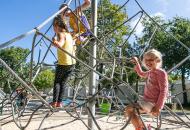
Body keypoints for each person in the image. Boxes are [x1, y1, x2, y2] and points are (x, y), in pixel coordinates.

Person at [124, 49, 168, 130]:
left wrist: (158, 107)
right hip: (146, 101)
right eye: (146, 60)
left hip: (153, 103)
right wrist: (137, 62)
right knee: (130, 111)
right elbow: (141, 73)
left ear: (157, 60)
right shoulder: (150, 72)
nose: (148, 62)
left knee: (129, 109)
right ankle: (142, 127)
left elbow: (164, 91)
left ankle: (140, 128)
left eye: (151, 60)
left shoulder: (161, 73)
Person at [50, 15, 76, 108]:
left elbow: (60, 44)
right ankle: (60, 102)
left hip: (63, 63)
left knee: (57, 82)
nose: (53, 29)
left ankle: (54, 102)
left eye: (53, 26)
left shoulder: (61, 34)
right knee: (63, 83)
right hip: (72, 63)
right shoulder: (69, 35)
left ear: (57, 25)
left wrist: (55, 43)